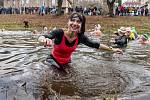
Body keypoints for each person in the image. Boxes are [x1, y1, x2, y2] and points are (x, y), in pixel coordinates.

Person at [38, 12, 123, 71]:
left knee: (72, 76)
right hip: (52, 60)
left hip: (67, 61)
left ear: (81, 25)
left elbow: (96, 45)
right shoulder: (59, 32)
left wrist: (113, 50)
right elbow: (44, 36)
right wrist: (43, 40)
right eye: (72, 20)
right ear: (68, 22)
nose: (75, 23)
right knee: (61, 74)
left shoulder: (80, 37)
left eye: (78, 22)